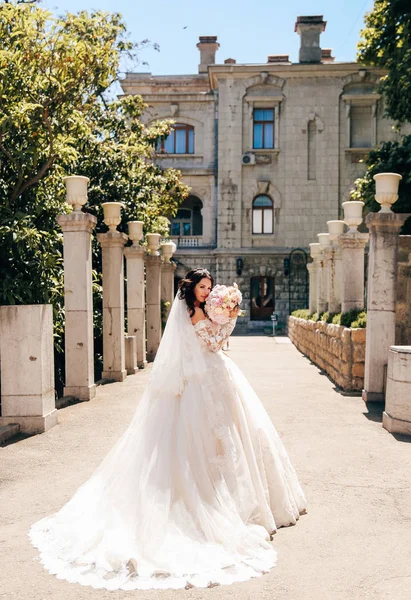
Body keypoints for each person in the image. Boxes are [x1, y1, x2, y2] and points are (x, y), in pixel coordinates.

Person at [29, 268, 307, 591]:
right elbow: (214, 344)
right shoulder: (191, 312)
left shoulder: (203, 308)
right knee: (203, 444)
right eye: (203, 288)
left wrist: (223, 312)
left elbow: (214, 345)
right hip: (200, 382)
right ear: (192, 289)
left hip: (217, 377)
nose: (207, 292)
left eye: (210, 288)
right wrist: (230, 318)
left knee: (237, 436)